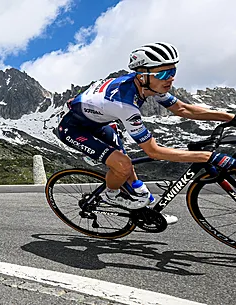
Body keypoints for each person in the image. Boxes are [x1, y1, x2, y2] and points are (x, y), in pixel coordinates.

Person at [57, 42, 236, 225]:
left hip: (99, 121)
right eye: (164, 74)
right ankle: (111, 195)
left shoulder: (150, 85)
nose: (171, 79)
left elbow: (182, 109)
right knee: (123, 164)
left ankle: (147, 212)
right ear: (142, 76)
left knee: (127, 168)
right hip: (73, 128)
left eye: (173, 72)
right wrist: (208, 157)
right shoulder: (125, 105)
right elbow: (154, 152)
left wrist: (230, 117)